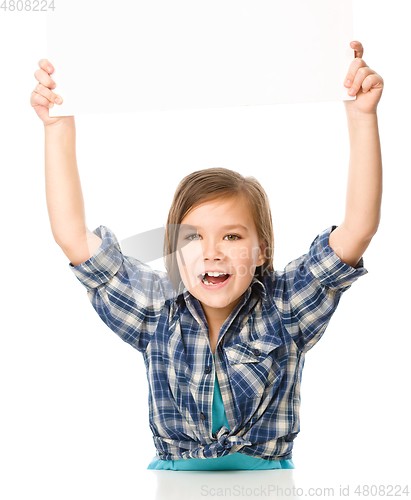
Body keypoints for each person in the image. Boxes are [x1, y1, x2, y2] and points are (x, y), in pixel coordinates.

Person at [30, 41, 383, 470]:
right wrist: (57, 129)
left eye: (232, 237)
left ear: (260, 251)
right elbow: (72, 237)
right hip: (175, 485)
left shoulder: (286, 308)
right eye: (194, 237)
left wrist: (363, 118)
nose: (212, 252)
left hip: (268, 488)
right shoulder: (156, 311)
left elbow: (358, 228)